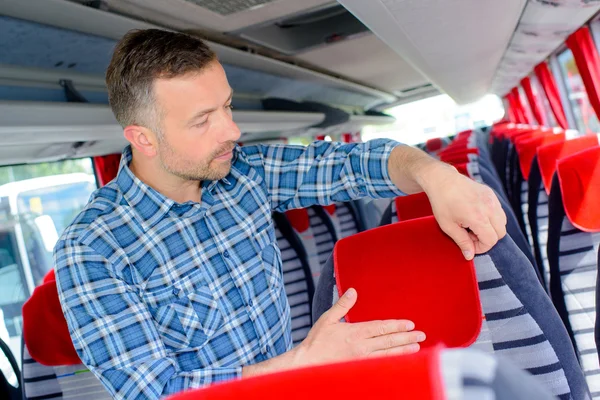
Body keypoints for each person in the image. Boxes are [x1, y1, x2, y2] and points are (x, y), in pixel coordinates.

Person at [53, 29, 507, 399]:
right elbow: (155, 393)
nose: (231, 130)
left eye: (227, 106)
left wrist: (437, 177)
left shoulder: (243, 174)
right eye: (202, 119)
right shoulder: (94, 249)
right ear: (143, 138)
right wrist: (303, 363)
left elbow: (353, 165)